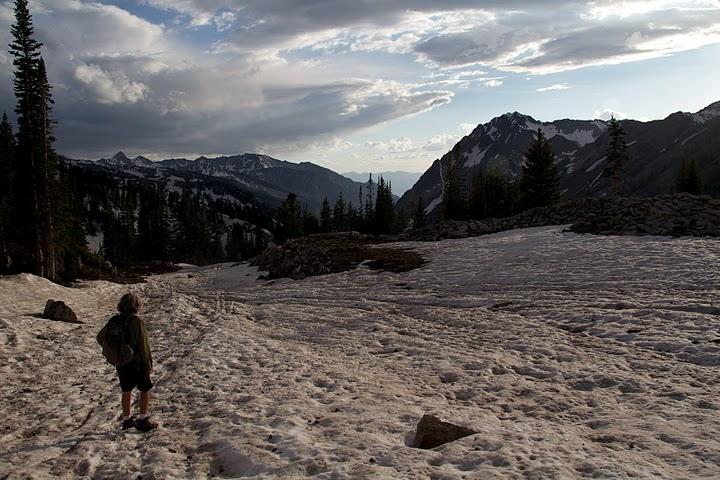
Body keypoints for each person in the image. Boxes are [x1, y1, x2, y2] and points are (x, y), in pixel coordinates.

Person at [113, 292, 158, 432]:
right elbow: (143, 344)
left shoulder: (115, 320)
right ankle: (142, 419)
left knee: (126, 390)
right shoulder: (136, 321)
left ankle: (127, 420)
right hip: (137, 362)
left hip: (122, 362)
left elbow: (100, 337)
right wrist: (148, 362)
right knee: (145, 389)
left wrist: (113, 351)